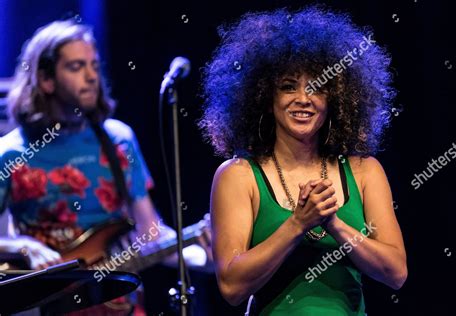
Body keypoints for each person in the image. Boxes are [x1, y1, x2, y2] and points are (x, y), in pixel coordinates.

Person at [199, 6, 407, 315]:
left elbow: (396, 273)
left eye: (317, 87)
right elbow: (231, 287)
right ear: (265, 99)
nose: (303, 98)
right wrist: (298, 224)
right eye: (288, 86)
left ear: (335, 98)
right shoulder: (238, 175)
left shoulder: (364, 171)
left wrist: (334, 224)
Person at [0, 19, 209, 314]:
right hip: (47, 306)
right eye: (76, 67)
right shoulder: (9, 153)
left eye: (94, 66)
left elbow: (150, 232)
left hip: (118, 305)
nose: (91, 77)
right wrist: (25, 246)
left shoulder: (118, 139)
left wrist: (201, 257)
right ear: (46, 80)